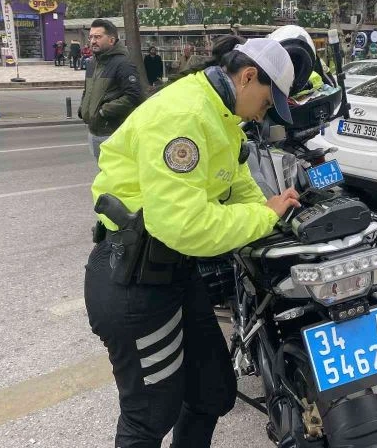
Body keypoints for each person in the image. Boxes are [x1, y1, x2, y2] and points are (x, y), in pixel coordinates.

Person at [84, 35, 300, 448]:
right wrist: (262, 216)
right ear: (249, 76)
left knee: (212, 391)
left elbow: (238, 184)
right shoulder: (184, 115)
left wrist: (275, 212)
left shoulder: (223, 117)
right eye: (268, 102)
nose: (264, 113)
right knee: (150, 414)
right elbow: (181, 224)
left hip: (175, 271)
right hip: (133, 278)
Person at [78, 19, 144, 160]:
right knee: (103, 174)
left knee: (117, 177)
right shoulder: (93, 63)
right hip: (94, 131)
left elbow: (134, 96)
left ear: (111, 40)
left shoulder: (123, 63)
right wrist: (83, 109)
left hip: (112, 132)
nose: (93, 41)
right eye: (91, 37)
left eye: (98, 37)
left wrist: (104, 111)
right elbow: (87, 90)